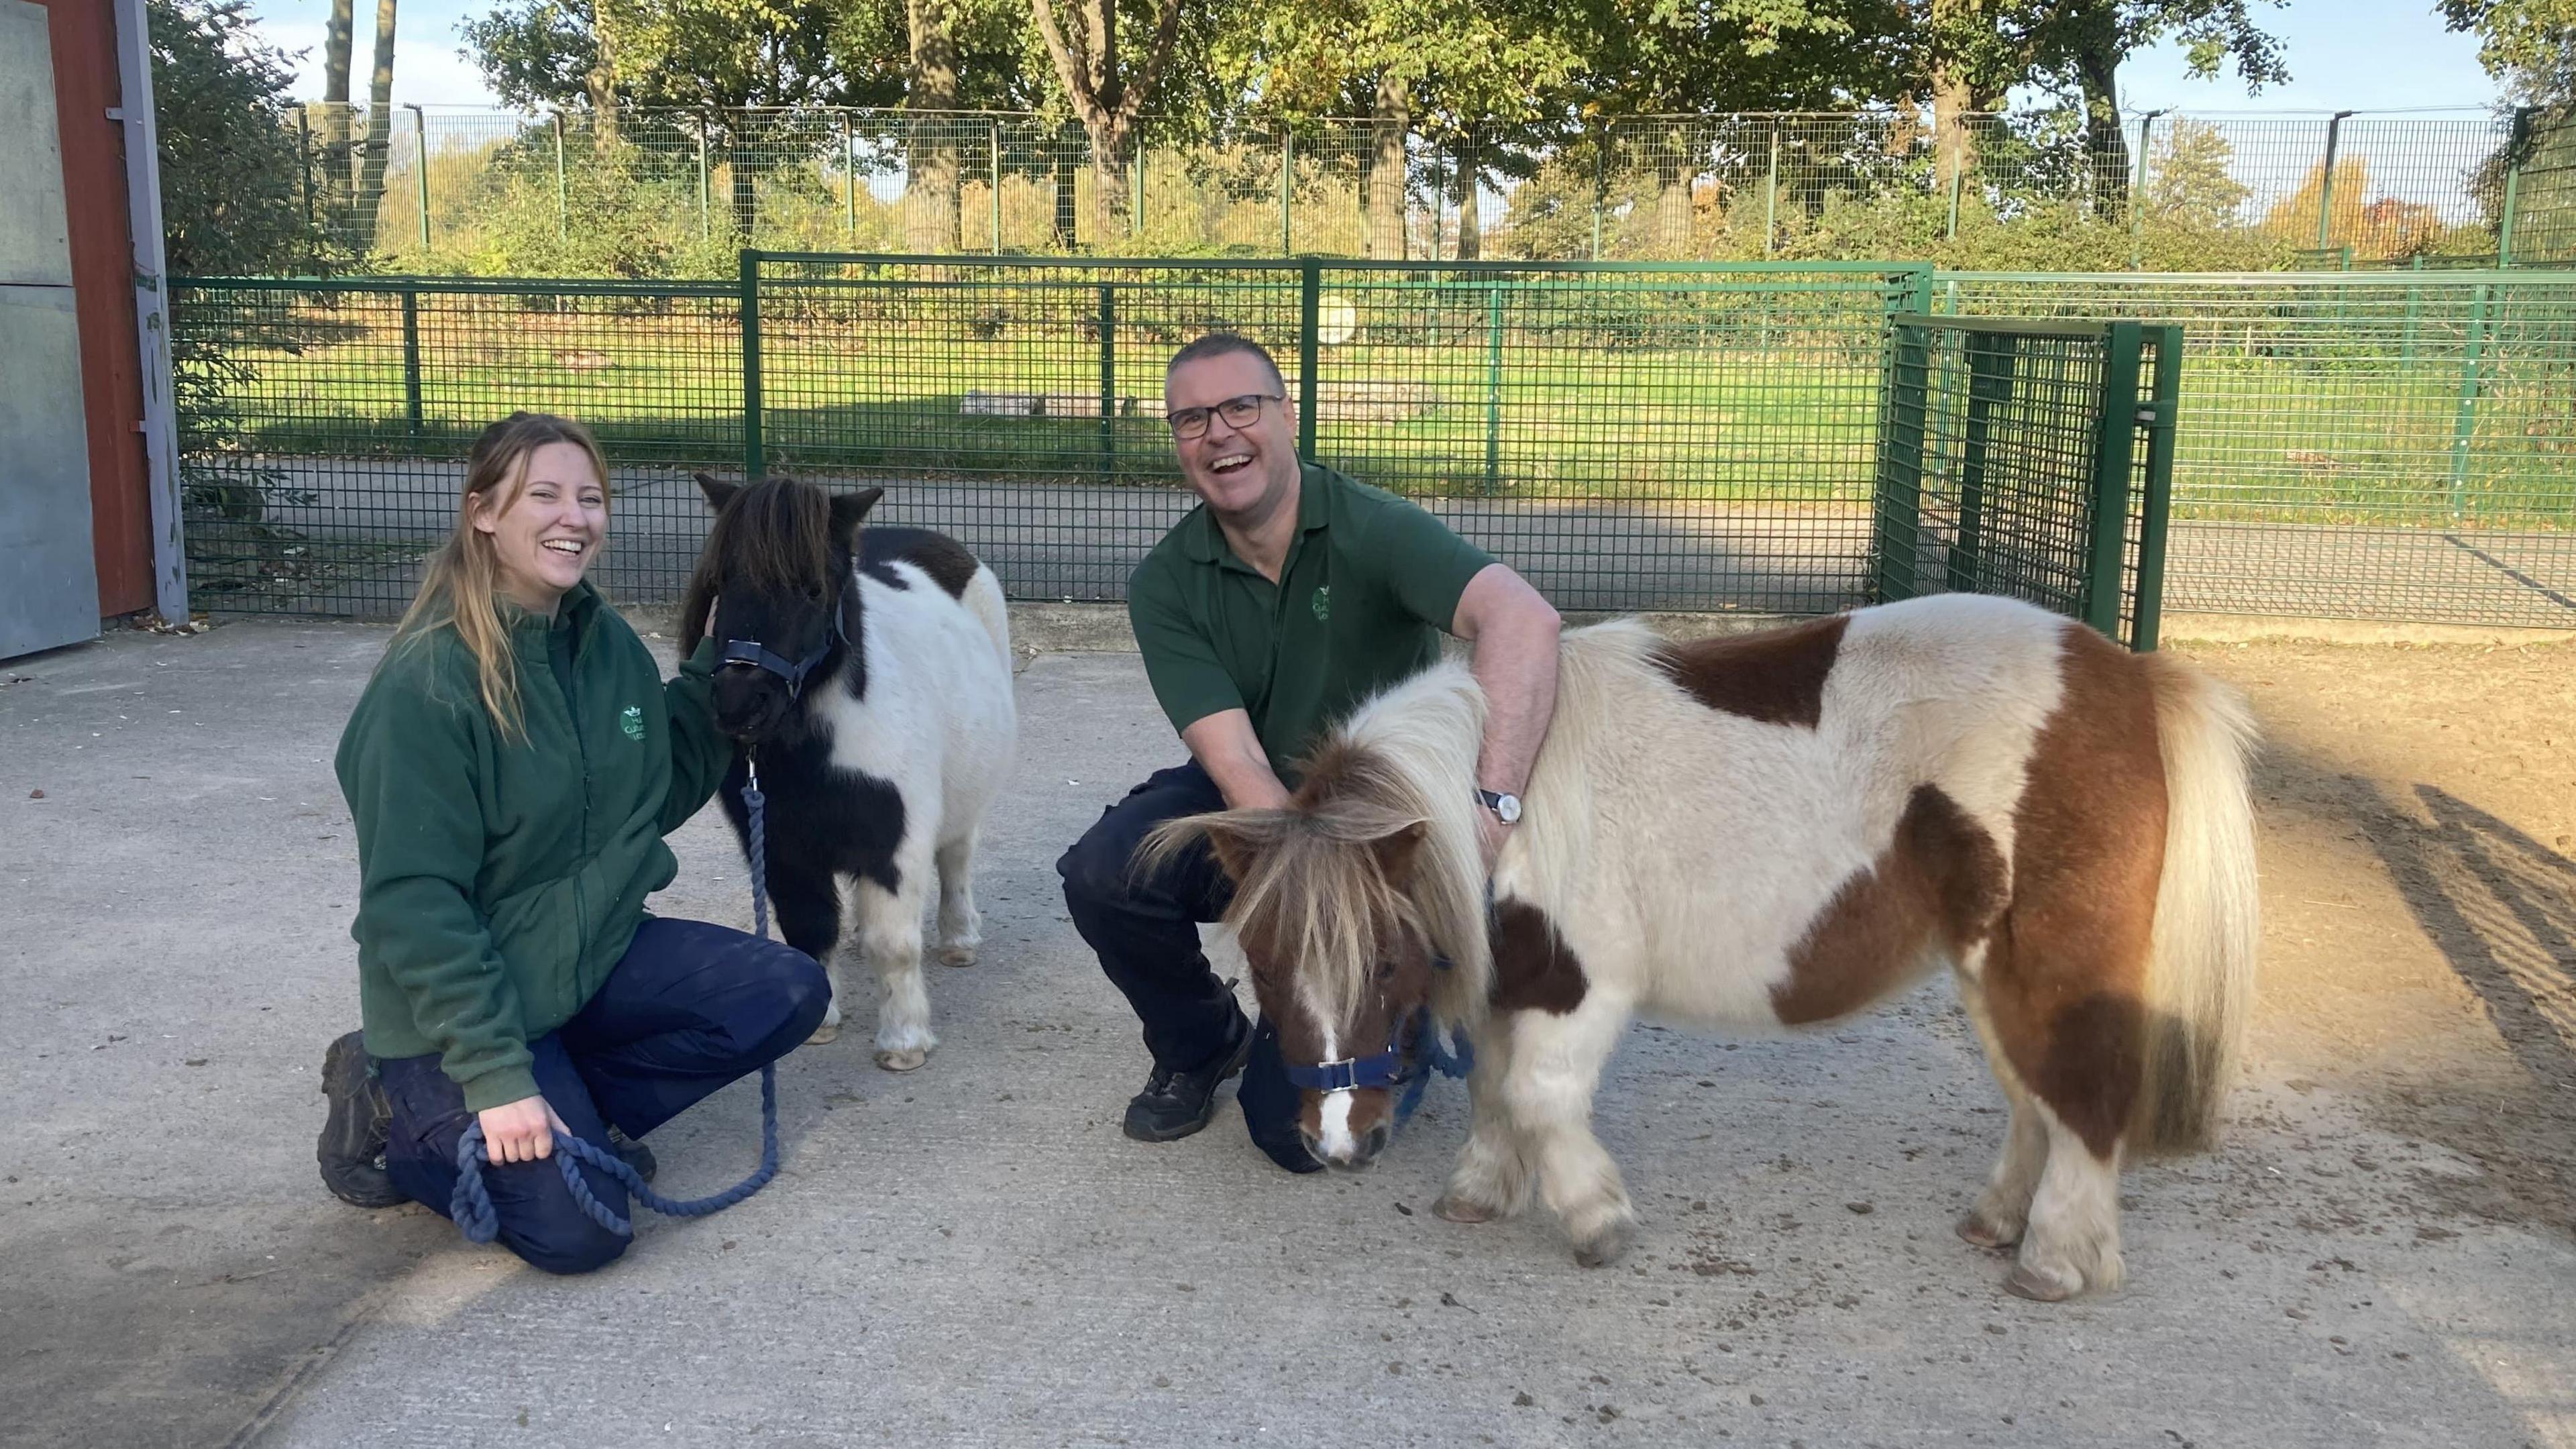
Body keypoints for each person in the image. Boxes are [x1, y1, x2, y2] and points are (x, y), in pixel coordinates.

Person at [315, 412, 828, 1273]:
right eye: (544, 495)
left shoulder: (603, 645)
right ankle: (392, 1105)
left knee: (784, 991)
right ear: (483, 512)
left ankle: (572, 1109)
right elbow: (414, 905)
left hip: (582, 959)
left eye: (590, 498)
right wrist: (498, 1081)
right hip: (465, 1005)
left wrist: (713, 675)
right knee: (581, 1232)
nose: (576, 517)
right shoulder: (428, 685)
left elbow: (647, 796)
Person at [1056, 334, 1562, 1172]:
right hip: (1273, 800)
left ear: (1288, 415)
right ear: (1179, 443)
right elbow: (1241, 770)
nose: (1220, 434)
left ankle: (1392, 1018)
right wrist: (1313, 907)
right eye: (1192, 419)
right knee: (1105, 873)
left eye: (1241, 407)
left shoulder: (1372, 526)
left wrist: (1492, 808)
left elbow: (1524, 620)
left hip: (1389, 813)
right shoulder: (1166, 582)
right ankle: (1200, 1039)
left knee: (1282, 1142)